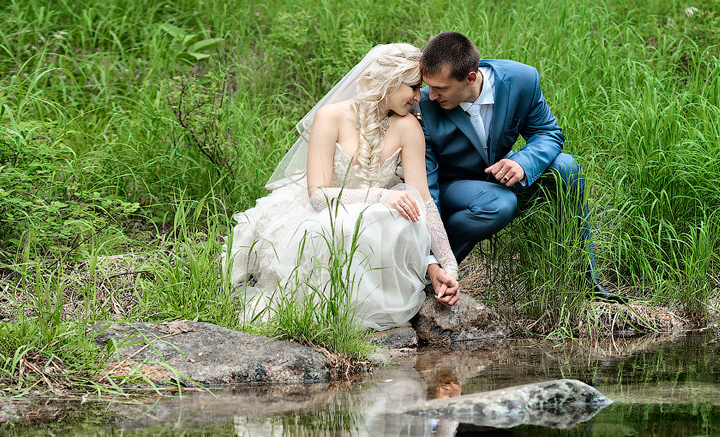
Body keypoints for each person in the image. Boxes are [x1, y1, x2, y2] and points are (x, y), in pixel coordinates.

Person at [228, 44, 461, 331]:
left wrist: (449, 267)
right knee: (339, 226)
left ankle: (370, 306)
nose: (417, 97)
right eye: (413, 87)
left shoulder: (407, 126)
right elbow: (317, 197)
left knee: (400, 219)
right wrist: (381, 194)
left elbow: (424, 199)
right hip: (326, 208)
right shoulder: (331, 117)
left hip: (376, 217)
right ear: (388, 81)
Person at [415, 31, 622, 300]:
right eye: (429, 86)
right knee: (499, 204)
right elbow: (427, 189)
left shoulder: (521, 80)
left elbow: (548, 133)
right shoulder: (425, 107)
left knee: (567, 167)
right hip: (453, 185)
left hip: (502, 174)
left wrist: (523, 163)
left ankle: (587, 281)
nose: (431, 95)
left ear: (471, 78)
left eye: (440, 89)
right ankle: (434, 273)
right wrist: (431, 257)